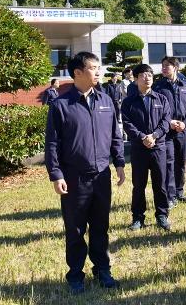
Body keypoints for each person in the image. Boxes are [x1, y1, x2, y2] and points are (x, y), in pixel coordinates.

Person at [45, 52, 126, 295]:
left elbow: (115, 136)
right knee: (76, 229)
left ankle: (103, 270)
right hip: (74, 178)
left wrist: (119, 163)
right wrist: (56, 174)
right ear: (78, 73)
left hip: (102, 176)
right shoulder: (61, 105)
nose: (98, 72)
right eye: (93, 68)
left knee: (101, 227)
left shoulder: (106, 101)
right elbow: (52, 144)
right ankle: (75, 274)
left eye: (99, 67)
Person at [121, 64, 172, 231]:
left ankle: (162, 215)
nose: (147, 77)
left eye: (150, 74)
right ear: (135, 79)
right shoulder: (129, 102)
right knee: (139, 184)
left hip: (158, 147)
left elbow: (165, 122)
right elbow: (127, 124)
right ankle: (138, 218)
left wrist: (154, 136)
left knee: (160, 183)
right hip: (139, 148)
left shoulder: (161, 99)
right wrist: (142, 137)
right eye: (143, 75)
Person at [153, 57, 186, 208]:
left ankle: (179, 191)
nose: (164, 68)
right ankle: (170, 196)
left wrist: (184, 123)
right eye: (163, 66)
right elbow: (156, 109)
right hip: (167, 131)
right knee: (169, 162)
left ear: (176, 67)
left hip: (183, 130)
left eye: (167, 66)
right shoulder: (158, 87)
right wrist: (169, 122)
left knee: (181, 162)